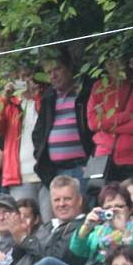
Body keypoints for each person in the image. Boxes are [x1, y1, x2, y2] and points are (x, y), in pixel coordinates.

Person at [0, 66, 49, 219]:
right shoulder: (11, 105)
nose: (24, 81)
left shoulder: (44, 99)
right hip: (20, 176)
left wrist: (37, 96)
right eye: (19, 78)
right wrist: (4, 97)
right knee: (23, 225)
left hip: (46, 174)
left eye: (27, 76)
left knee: (49, 224)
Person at [32, 51, 93, 192]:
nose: (53, 75)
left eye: (57, 69)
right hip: (56, 171)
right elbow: (38, 134)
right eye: (49, 72)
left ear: (69, 69)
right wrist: (41, 157)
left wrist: (90, 162)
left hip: (82, 168)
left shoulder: (84, 93)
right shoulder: (49, 97)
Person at [86, 57, 133, 182]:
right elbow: (92, 123)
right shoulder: (99, 86)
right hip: (101, 154)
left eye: (117, 62)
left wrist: (108, 126)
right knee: (97, 197)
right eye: (109, 63)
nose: (114, 67)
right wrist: (126, 116)